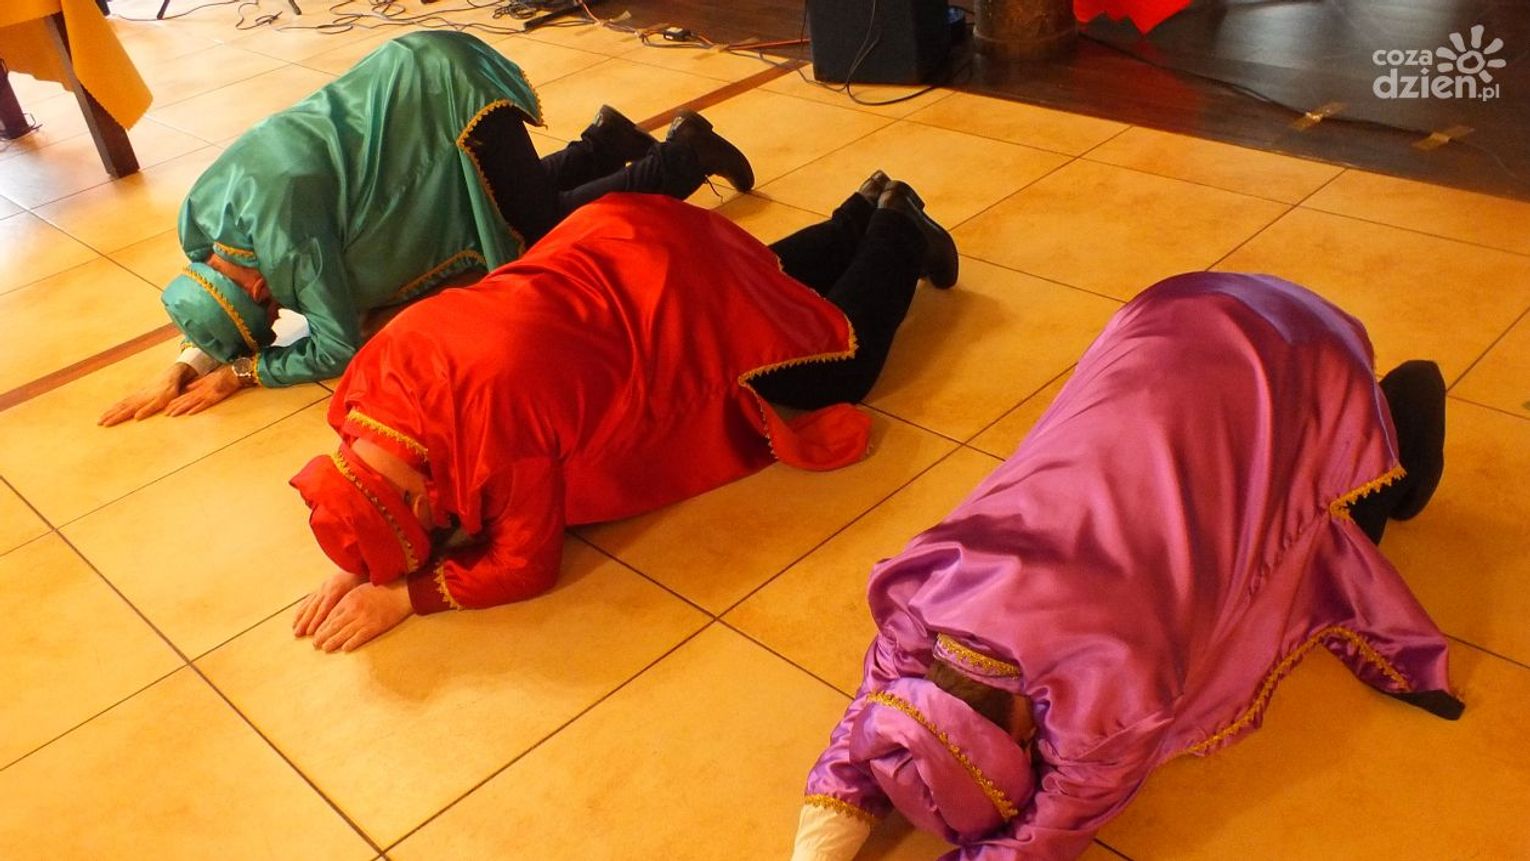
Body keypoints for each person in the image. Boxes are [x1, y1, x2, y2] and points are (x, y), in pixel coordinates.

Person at [791, 273, 1461, 861]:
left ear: (1023, 739)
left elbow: (1048, 834)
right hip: (1166, 316)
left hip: (1302, 352)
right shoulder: (925, 591)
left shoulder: (1108, 689)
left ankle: (1400, 405)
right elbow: (862, 726)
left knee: (1319, 521)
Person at [286, 176, 961, 652]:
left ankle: (898, 227)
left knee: (834, 369)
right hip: (620, 243)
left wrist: (405, 595)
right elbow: (379, 489)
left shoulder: (497, 435)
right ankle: (856, 216)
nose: (437, 524)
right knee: (753, 280)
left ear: (413, 499)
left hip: (667, 296)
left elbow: (525, 564)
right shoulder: (363, 387)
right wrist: (361, 552)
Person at [98, 30, 754, 425]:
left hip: (449, 95)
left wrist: (245, 374)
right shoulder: (201, 221)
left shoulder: (285, 240)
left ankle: (686, 155)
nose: (278, 311)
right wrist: (187, 360)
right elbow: (219, 297)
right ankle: (606, 142)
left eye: (269, 311)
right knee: (497, 200)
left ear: (261, 290)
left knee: (542, 232)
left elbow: (338, 343)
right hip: (410, 79)